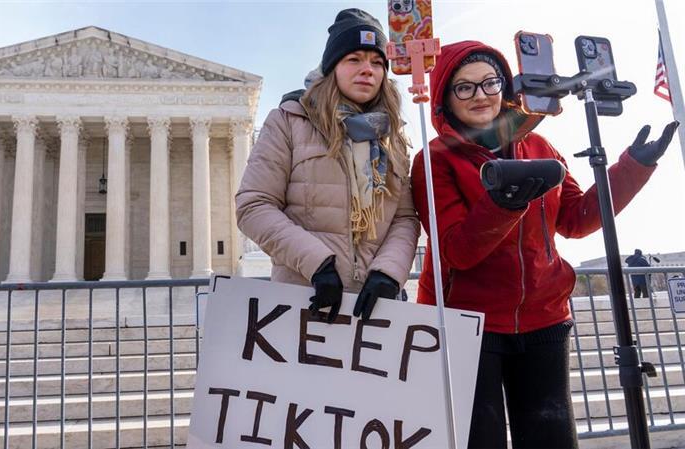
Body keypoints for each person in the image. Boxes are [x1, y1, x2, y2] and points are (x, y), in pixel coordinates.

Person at [410, 40, 679, 449]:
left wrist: (632, 168)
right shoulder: (435, 160)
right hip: (467, 323)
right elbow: (456, 251)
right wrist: (503, 204)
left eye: (489, 82)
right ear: (445, 98)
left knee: (550, 440)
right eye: (464, 87)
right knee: (478, 441)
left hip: (544, 317)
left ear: (505, 86)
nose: (480, 95)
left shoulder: (538, 146)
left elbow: (576, 219)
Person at [236, 8, 419, 323]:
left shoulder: (392, 137)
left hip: (376, 311)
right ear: (332, 67)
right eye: (354, 59)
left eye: (377, 62)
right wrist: (318, 264)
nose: (367, 70)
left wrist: (389, 272)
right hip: (305, 299)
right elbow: (254, 206)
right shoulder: (289, 121)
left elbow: (404, 218)